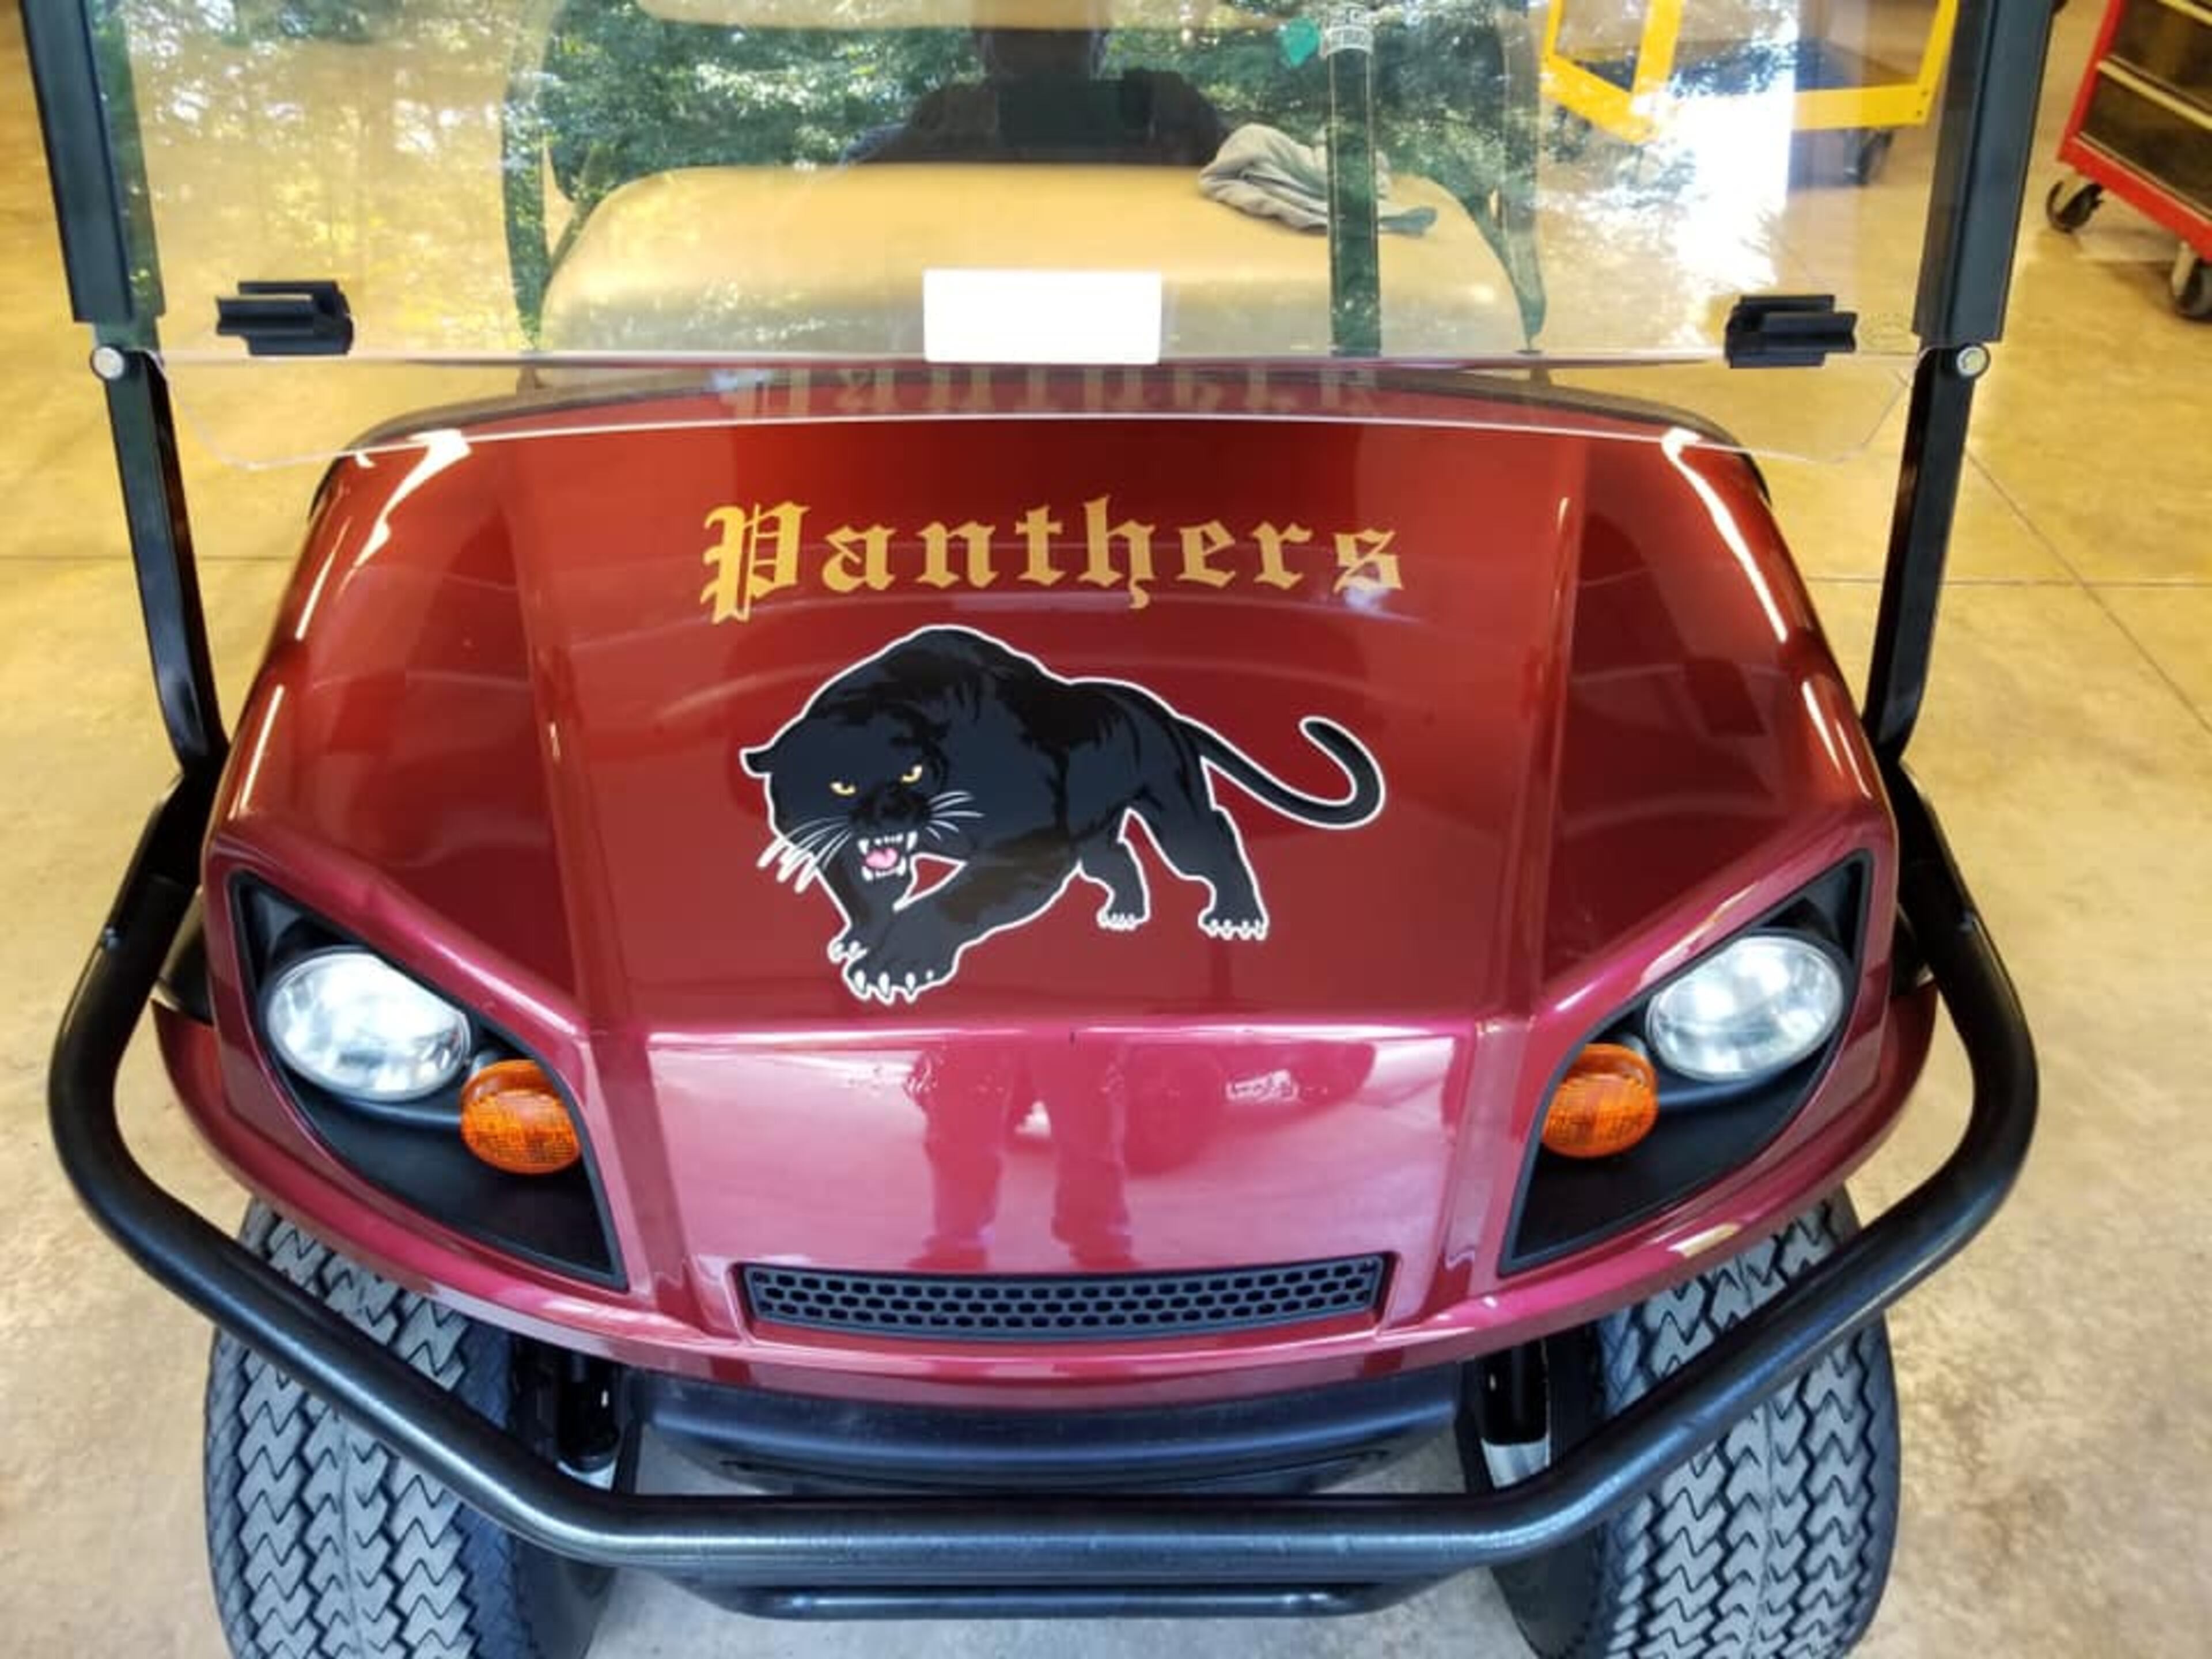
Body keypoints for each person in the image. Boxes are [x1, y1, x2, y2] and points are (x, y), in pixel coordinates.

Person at [849, 27, 1227, 166]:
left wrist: (1209, 138)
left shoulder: (1160, 137)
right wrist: (911, 150)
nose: (1043, 54)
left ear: (1102, 43)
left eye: (1067, 33)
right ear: (979, 40)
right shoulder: (911, 146)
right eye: (1020, 32)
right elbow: (802, 234)